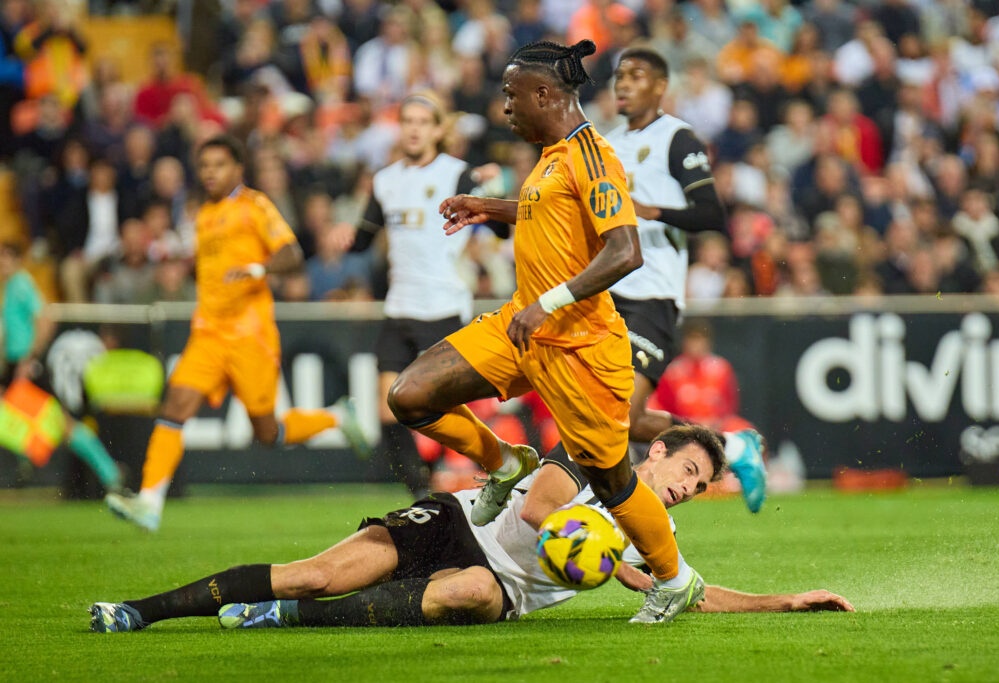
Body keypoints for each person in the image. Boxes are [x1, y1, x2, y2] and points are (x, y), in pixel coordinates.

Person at [388, 40, 695, 624]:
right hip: (521, 325)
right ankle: (505, 463)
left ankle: (675, 579)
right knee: (410, 395)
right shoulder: (554, 154)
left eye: (511, 95)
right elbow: (548, 213)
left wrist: (551, 301)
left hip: (581, 347)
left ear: (545, 94)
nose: (505, 107)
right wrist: (490, 207)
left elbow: (625, 251)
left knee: (613, 483)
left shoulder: (594, 156)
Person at [89, 425, 854, 632]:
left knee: (479, 593)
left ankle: (277, 616)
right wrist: (601, 557)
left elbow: (691, 593)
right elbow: (535, 508)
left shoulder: (654, 534)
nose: (686, 491)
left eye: (698, 486)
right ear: (656, 452)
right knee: (316, 571)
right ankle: (139, 610)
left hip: (491, 583)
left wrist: (785, 601)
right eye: (685, 472)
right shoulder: (593, 456)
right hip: (456, 518)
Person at [104, 136, 366, 533]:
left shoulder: (254, 206)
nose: (209, 172)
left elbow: (292, 254)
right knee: (174, 407)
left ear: (237, 169)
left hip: (250, 335)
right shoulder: (203, 214)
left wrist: (258, 269)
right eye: (204, 165)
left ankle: (334, 417)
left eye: (218, 164)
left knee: (267, 432)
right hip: (207, 333)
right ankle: (150, 502)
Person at [602, 48, 767, 513]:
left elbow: (712, 212)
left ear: (660, 86)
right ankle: (732, 450)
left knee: (623, 416)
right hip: (605, 293)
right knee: (617, 418)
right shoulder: (607, 143)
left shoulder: (678, 138)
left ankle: (727, 453)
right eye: (620, 76)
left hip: (650, 295)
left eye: (637, 76)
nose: (625, 84)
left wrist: (649, 210)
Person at [347, 92, 491, 497]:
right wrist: (345, 238)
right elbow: (362, 238)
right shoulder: (385, 180)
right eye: (407, 120)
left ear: (438, 129)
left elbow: (496, 228)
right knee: (385, 409)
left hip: (443, 306)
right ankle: (423, 496)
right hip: (399, 307)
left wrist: (493, 190)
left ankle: (499, 468)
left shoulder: (459, 174)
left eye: (422, 121)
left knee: (447, 408)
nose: (413, 128)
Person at [0, 241, 123, 494]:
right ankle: (28, 461)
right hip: (13, 365)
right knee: (13, 417)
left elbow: (45, 319)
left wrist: (29, 358)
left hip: (27, 365)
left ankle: (110, 472)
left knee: (62, 423)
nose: (3, 263)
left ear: (16, 261)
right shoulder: (7, 288)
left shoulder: (21, 284)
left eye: (7, 258)